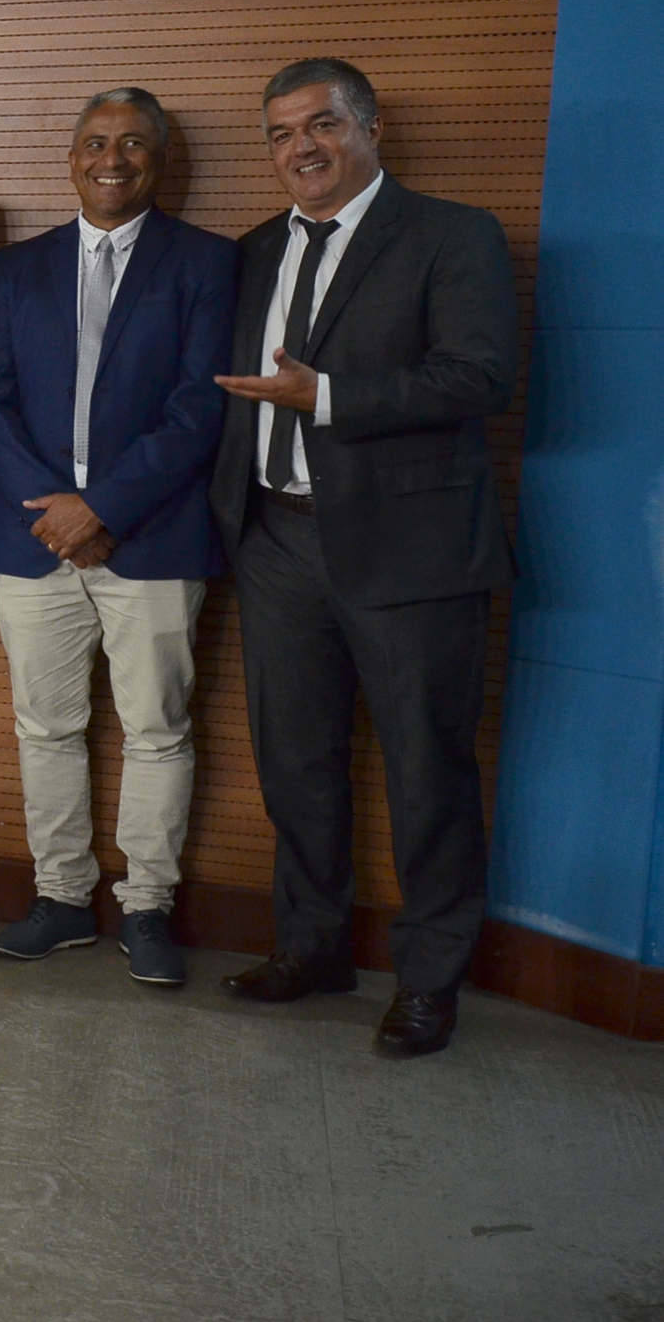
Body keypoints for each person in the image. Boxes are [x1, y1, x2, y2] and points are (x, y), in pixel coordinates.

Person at [210, 59, 517, 1058]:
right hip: (274, 539)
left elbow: (478, 374)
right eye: (279, 132)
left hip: (407, 549)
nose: (299, 146)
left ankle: (428, 977)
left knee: (426, 770)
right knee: (292, 763)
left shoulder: (450, 233)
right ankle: (310, 947)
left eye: (320, 124)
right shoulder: (254, 249)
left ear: (368, 127)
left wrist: (327, 397)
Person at [0, 88, 237, 986]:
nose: (110, 159)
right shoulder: (18, 267)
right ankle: (60, 900)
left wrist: (106, 508)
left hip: (152, 540)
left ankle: (149, 908)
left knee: (157, 729)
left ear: (159, 159)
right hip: (34, 537)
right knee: (45, 728)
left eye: (130, 144)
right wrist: (51, 508)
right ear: (71, 158)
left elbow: (199, 407)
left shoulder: (205, 262)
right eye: (93, 143)